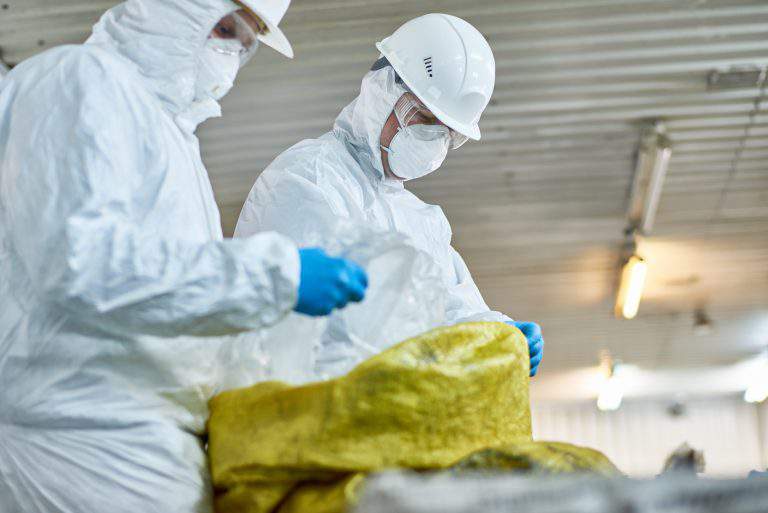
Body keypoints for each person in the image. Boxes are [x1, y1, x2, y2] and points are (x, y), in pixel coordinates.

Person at [0, 1, 367, 512]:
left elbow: (175, 304)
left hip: (144, 448)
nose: (234, 53)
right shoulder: (79, 81)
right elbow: (84, 264)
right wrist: (275, 278)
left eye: (248, 41)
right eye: (225, 28)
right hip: (72, 448)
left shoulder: (175, 140)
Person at [235, 13, 544, 379]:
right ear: (382, 91)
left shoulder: (422, 221)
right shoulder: (308, 178)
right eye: (425, 119)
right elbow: (341, 331)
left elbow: (448, 308)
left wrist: (498, 331)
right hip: (303, 411)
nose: (433, 142)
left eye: (448, 133)